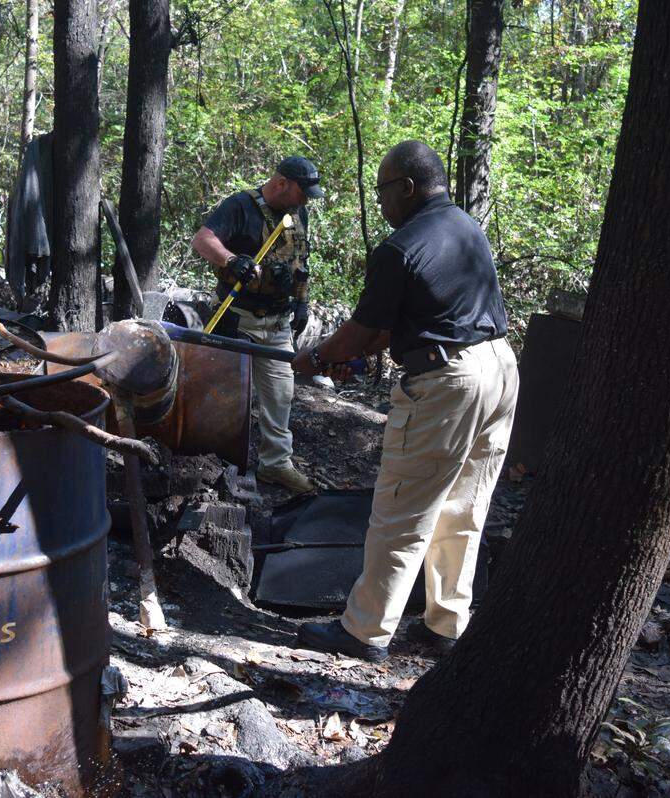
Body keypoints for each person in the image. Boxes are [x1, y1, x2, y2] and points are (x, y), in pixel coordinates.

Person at [292, 141, 518, 662]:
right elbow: (395, 326)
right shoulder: (464, 227)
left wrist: (316, 356)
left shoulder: (400, 247)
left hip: (448, 382)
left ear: (407, 188)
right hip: (499, 368)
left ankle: (364, 631)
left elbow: (360, 334)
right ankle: (446, 624)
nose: (381, 203)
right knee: (464, 507)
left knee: (402, 508)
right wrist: (349, 352)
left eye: (382, 191)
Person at [191, 156, 324, 494]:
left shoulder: (297, 214)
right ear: (282, 184)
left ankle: (275, 465)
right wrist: (232, 260)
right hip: (237, 318)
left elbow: (300, 261)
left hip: (277, 322)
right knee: (227, 395)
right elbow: (202, 239)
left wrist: (302, 301)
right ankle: (214, 463)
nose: (306, 200)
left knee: (280, 394)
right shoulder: (240, 205)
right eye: (302, 193)